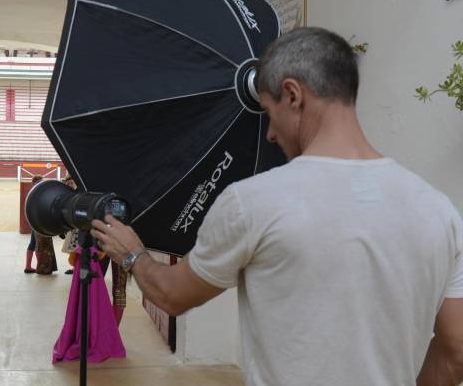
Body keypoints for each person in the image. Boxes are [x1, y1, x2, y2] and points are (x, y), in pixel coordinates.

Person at [90, 27, 463, 386]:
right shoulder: (438, 211)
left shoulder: (252, 202)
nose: (270, 133)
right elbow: (455, 350)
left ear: (293, 95)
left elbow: (172, 295)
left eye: (268, 112)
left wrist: (132, 254)